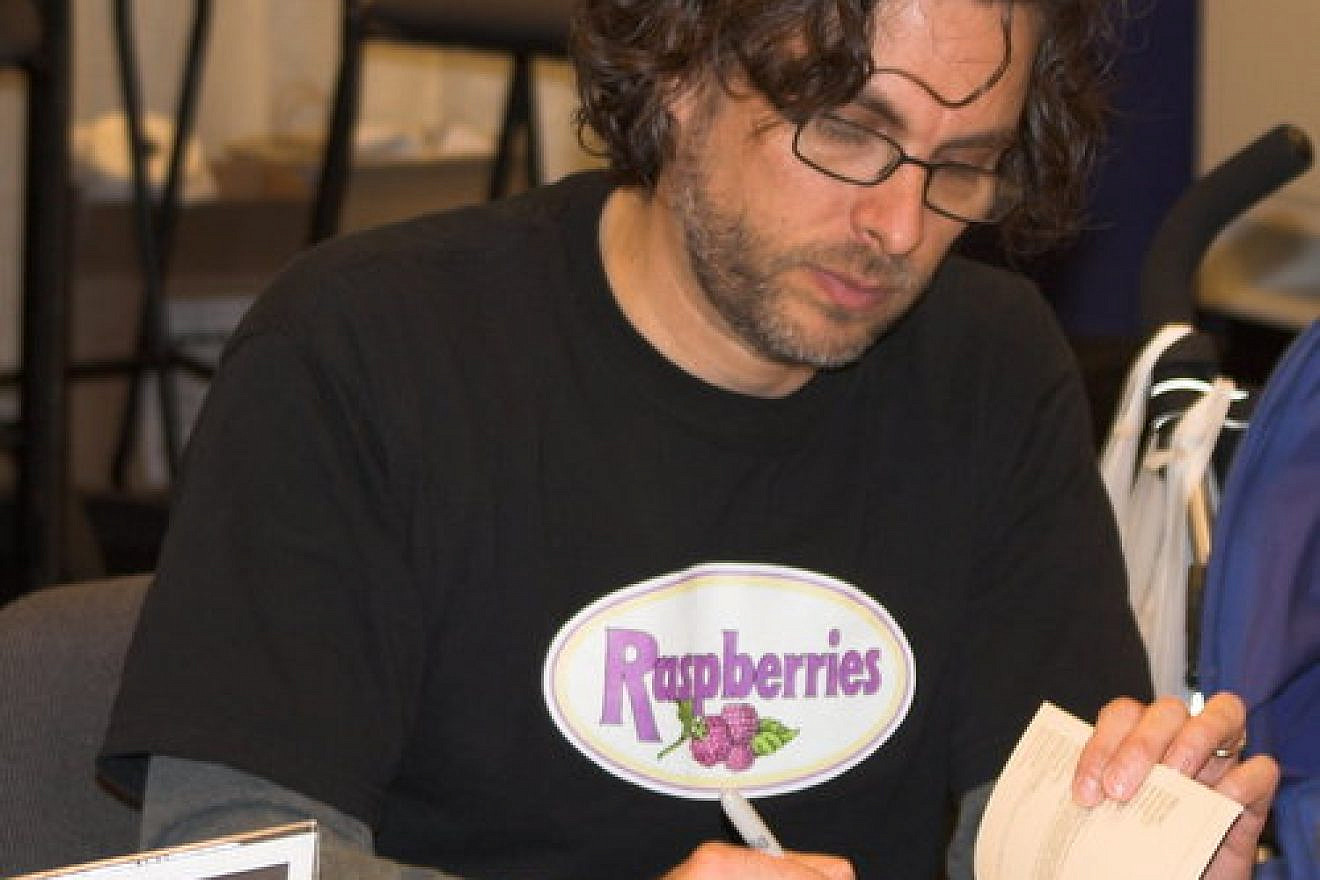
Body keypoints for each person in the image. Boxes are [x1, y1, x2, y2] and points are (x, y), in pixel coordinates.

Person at [99, 0, 1278, 878]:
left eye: (963, 166)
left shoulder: (992, 361)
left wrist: (1124, 845)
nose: (899, 225)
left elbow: (1008, 832)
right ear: (676, 67)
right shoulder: (361, 354)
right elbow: (229, 857)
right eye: (849, 133)